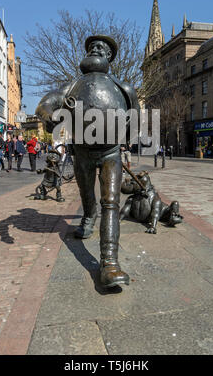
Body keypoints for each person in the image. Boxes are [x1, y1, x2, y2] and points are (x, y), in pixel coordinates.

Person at [36, 35, 140, 288]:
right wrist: (49, 115)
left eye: (102, 48)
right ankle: (87, 218)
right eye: (92, 46)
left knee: (112, 203)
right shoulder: (72, 86)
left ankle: (109, 264)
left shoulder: (123, 88)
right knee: (86, 194)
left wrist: (125, 131)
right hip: (81, 151)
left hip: (110, 152)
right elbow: (44, 104)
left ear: (109, 57)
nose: (96, 48)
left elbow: (135, 118)